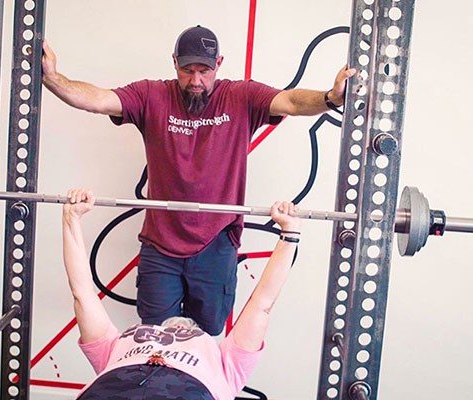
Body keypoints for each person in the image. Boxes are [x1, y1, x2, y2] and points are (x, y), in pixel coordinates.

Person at [44, 25, 355, 335]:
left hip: (216, 246)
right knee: (152, 341)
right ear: (174, 62)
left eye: (204, 71)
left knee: (205, 342)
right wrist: (54, 78)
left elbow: (292, 102)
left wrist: (331, 98)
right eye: (187, 70)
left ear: (218, 63)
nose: (195, 81)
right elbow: (98, 100)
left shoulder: (240, 96)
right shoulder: (151, 95)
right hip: (160, 246)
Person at [62, 188, 302, 400]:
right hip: (119, 387)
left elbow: (264, 304)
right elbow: (81, 293)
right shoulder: (224, 363)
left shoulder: (113, 348)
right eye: (189, 329)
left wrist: (291, 231)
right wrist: (70, 218)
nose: (179, 327)